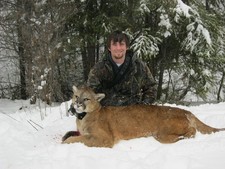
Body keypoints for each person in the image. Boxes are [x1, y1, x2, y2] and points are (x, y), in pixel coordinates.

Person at [87, 30, 157, 106]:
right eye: (114, 44)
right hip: (108, 113)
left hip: (133, 112)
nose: (118, 48)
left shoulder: (139, 66)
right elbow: (90, 93)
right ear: (109, 48)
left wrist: (143, 107)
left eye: (121, 44)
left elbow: (151, 88)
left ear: (127, 47)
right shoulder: (99, 69)